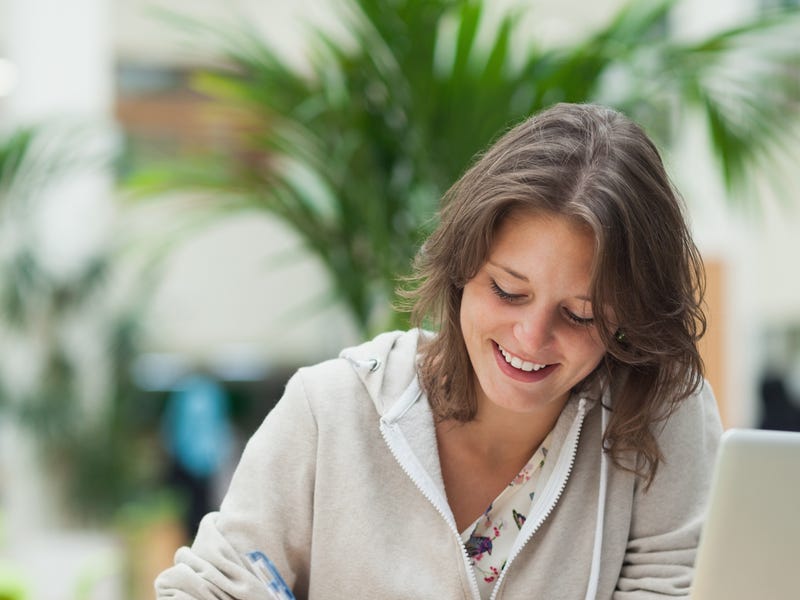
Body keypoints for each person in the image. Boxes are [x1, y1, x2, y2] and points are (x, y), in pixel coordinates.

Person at [155, 103, 722, 599]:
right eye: (508, 291)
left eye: (580, 315)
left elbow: (677, 589)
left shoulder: (659, 414)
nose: (530, 337)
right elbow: (210, 585)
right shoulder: (330, 412)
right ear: (460, 270)